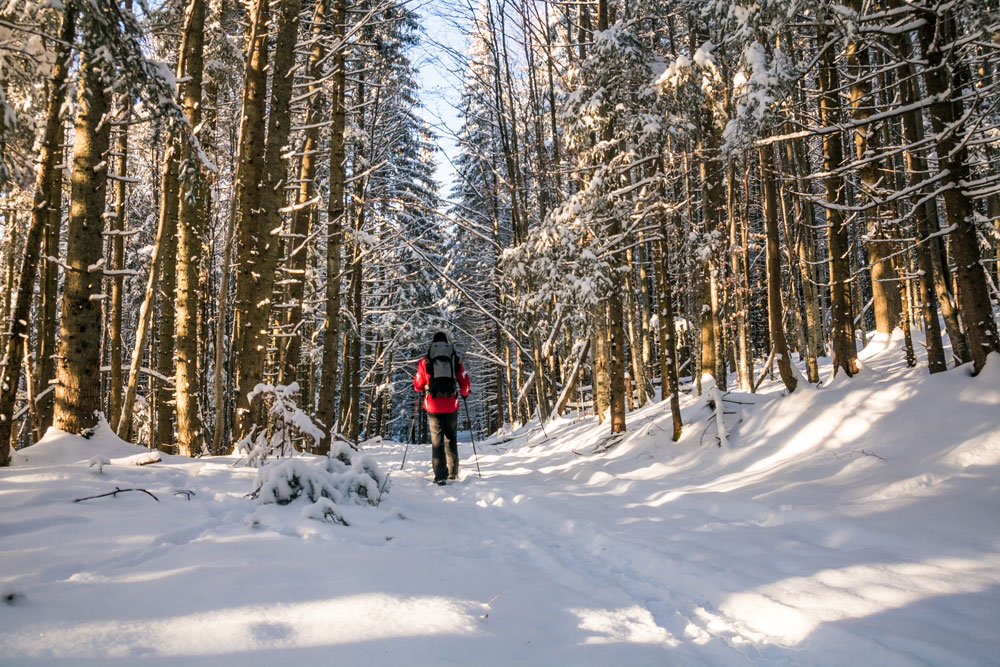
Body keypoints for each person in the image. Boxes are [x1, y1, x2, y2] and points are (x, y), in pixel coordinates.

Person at [413, 332, 471, 485]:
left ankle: (440, 476)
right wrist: (465, 393)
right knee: (451, 437)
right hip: (451, 404)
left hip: (433, 405)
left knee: (437, 440)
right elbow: (464, 379)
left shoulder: (426, 360)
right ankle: (453, 472)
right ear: (446, 343)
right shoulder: (454, 359)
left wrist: (421, 390)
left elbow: (418, 383)